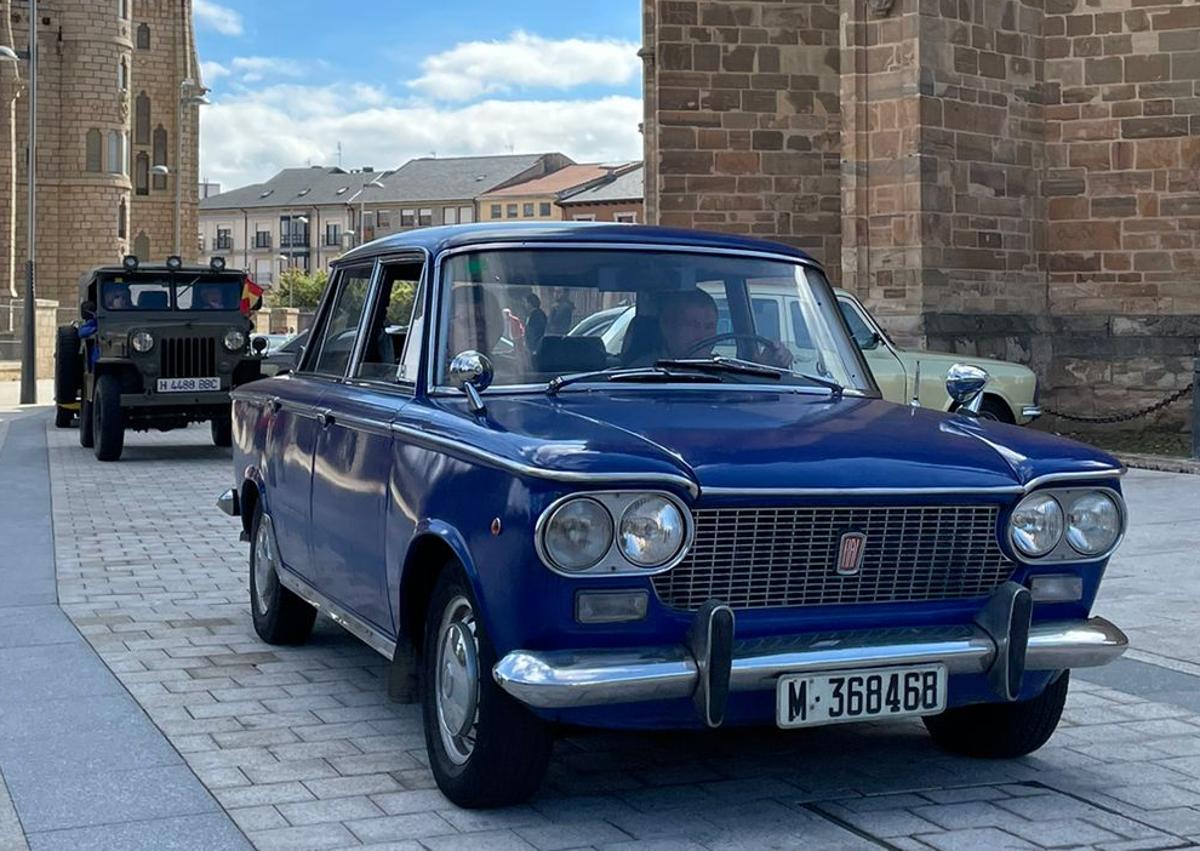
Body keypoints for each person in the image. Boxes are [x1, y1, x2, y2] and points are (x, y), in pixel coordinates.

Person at [628, 288, 793, 368]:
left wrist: (768, 365)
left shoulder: (728, 370)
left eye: (709, 326)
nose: (703, 336)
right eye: (692, 325)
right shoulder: (638, 373)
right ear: (667, 326)